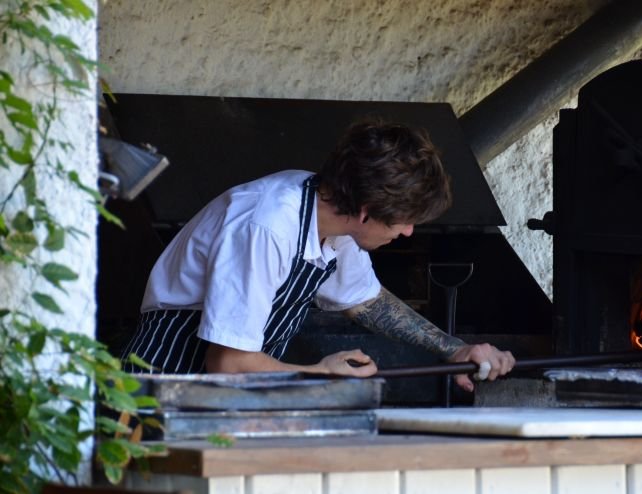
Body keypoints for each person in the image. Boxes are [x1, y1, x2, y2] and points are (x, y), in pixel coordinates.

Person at [120, 119, 515, 392]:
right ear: (365, 211)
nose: (409, 232)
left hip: (224, 399)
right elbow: (228, 363)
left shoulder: (332, 220)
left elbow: (368, 302)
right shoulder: (267, 224)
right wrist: (319, 372)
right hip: (161, 391)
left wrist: (454, 348)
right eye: (405, 220)